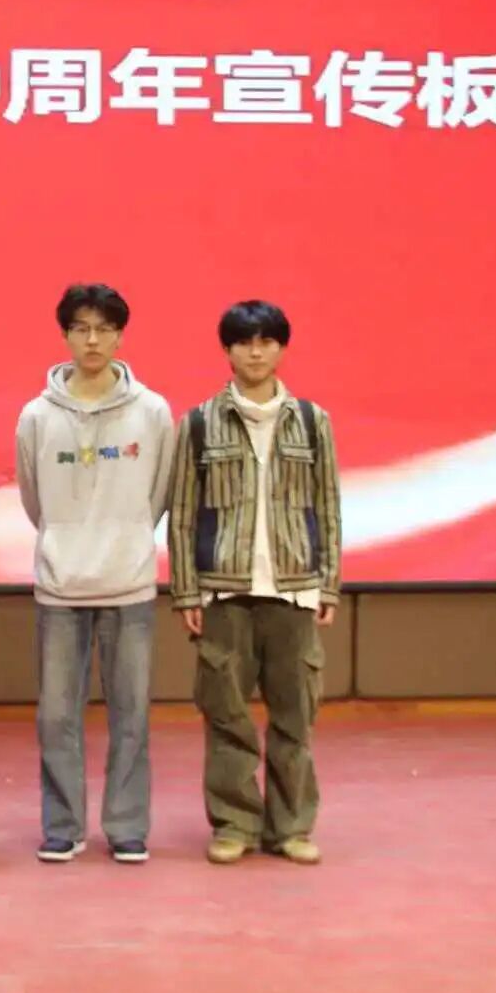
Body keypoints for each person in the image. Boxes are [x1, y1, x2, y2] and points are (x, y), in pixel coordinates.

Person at [170, 300, 343, 866]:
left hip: (294, 591)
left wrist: (329, 585)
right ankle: (234, 824)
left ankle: (290, 827)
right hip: (225, 593)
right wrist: (187, 591)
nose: (255, 352)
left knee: (295, 718)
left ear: (281, 348)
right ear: (228, 349)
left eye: (266, 341)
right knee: (226, 715)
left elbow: (328, 507)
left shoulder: (312, 422)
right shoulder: (199, 423)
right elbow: (183, 513)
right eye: (244, 341)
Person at [15, 283, 176, 864]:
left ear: (119, 336)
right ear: (65, 335)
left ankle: (127, 826)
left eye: (104, 329)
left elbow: (159, 493)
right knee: (57, 715)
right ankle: (63, 826)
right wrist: (65, 539)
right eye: (81, 328)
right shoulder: (37, 416)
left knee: (131, 712)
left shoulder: (152, 412)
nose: (92, 340)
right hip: (60, 585)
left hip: (128, 583)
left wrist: (127, 537)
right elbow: (34, 499)